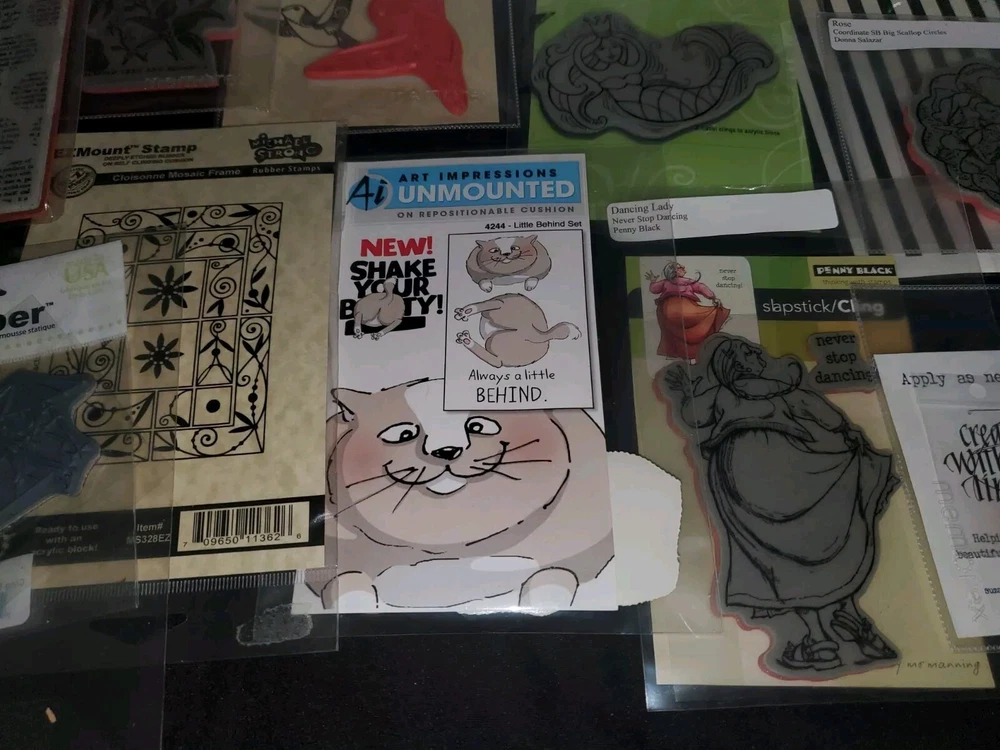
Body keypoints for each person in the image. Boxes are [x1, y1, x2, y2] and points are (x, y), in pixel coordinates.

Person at [660, 334, 900, 674]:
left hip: (750, 477)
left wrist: (684, 390)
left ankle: (822, 637)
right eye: (751, 353)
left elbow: (694, 415)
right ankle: (838, 627)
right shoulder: (783, 390)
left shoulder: (726, 394)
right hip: (786, 474)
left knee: (782, 557)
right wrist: (854, 446)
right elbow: (831, 420)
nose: (758, 357)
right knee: (809, 547)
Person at [645, 261, 729, 362]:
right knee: (692, 328)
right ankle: (690, 353)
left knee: (672, 332)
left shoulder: (665, 282)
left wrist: (653, 281)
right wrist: (713, 298)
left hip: (667, 311)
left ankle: (674, 354)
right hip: (685, 308)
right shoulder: (688, 282)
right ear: (673, 271)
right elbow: (701, 287)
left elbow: (654, 289)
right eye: (679, 267)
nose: (683, 267)